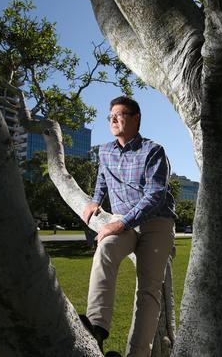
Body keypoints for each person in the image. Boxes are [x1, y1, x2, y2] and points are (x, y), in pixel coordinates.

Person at [81, 96, 176, 356]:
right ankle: (97, 328)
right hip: (122, 222)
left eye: (119, 114)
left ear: (136, 119)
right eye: (110, 115)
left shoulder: (153, 150)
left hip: (156, 222)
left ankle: (136, 354)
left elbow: (155, 196)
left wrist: (120, 222)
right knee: (105, 250)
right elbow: (102, 179)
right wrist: (94, 201)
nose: (112, 119)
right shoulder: (105, 150)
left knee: (148, 290)